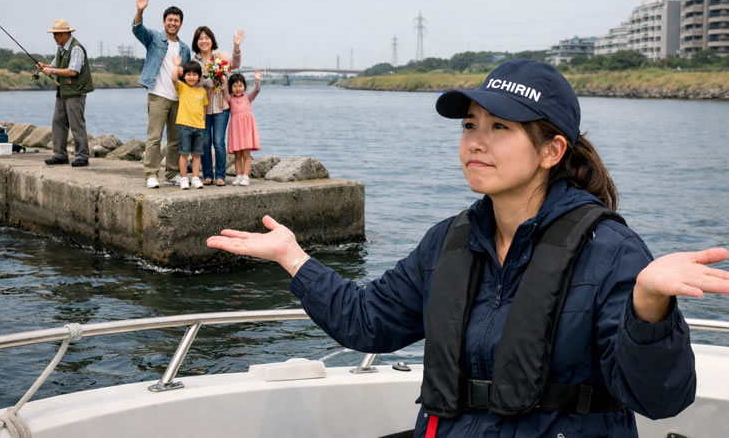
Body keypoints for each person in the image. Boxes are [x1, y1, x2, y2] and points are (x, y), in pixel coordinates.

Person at [206, 59, 729, 437]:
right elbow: (368, 323)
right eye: (469, 125)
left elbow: (661, 398)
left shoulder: (611, 251)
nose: (475, 141)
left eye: (499, 127)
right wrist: (293, 258)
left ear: (552, 150)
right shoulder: (449, 241)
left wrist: (649, 310)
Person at [132, 0, 191, 189]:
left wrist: (184, 72)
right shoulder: (154, 39)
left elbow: (188, 76)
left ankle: (172, 174)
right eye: (170, 20)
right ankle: (151, 174)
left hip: (178, 98)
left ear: (181, 24)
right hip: (157, 95)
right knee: (154, 137)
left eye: (176, 20)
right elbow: (137, 29)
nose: (173, 23)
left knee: (175, 139)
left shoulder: (185, 48)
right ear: (164, 22)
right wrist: (140, 11)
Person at [190, 25, 245, 186]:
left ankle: (220, 175)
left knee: (219, 141)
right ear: (196, 42)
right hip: (203, 108)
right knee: (205, 141)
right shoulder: (194, 61)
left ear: (212, 40)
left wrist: (236, 47)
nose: (204, 41)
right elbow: (191, 81)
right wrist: (204, 82)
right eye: (200, 38)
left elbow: (234, 64)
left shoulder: (220, 56)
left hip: (222, 107)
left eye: (207, 38)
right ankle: (207, 175)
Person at [37, 19, 94, 167]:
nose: (54, 37)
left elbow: (73, 71)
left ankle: (82, 156)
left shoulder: (76, 48)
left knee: (76, 124)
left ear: (64, 34)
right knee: (58, 122)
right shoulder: (61, 49)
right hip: (62, 92)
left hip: (75, 92)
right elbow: (55, 65)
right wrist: (44, 66)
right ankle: (60, 155)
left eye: (55, 34)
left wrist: (51, 71)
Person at [170, 58, 208, 190]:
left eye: (194, 74)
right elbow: (173, 78)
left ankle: (196, 178)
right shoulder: (182, 87)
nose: (191, 77)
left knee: (197, 154)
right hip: (185, 126)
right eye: (188, 74)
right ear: (184, 76)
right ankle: (184, 178)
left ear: (199, 76)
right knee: (184, 153)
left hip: (199, 127)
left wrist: (203, 122)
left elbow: (204, 108)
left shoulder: (202, 91)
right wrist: (176, 66)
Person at [226, 70, 261, 186]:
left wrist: (257, 80)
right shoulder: (230, 99)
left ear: (245, 87)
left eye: (240, 86)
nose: (238, 89)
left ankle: (245, 176)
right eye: (235, 86)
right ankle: (238, 176)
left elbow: (257, 90)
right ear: (230, 88)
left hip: (246, 130)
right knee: (237, 155)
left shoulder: (248, 97)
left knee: (246, 154)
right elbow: (223, 91)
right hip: (236, 130)